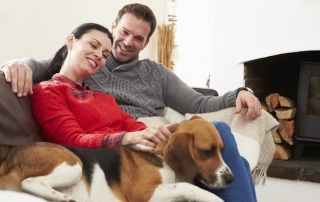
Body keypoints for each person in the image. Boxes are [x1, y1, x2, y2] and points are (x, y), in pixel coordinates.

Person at [1, 3, 260, 202]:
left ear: (146, 43)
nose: (127, 42)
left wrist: (239, 92)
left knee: (231, 150)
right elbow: (47, 66)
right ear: (114, 28)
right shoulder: (66, 79)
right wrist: (17, 64)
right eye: (124, 32)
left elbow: (198, 103)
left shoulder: (131, 83)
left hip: (142, 135)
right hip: (119, 149)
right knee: (228, 152)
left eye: (138, 38)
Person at [30, 22, 171, 149]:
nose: (99, 55)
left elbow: (136, 128)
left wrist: (155, 134)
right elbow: (70, 140)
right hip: (101, 165)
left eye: (105, 55)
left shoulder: (104, 99)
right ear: (71, 41)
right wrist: (126, 138)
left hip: (134, 156)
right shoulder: (48, 91)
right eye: (93, 45)